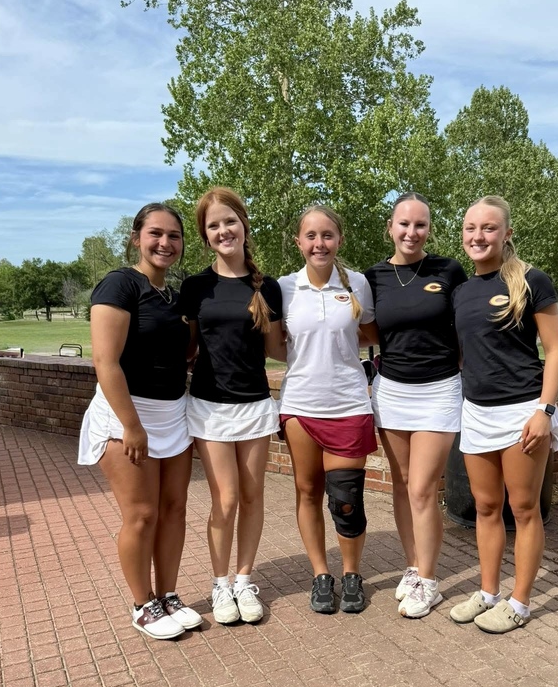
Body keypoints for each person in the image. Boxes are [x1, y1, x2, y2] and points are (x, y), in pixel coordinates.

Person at [78, 203, 202, 640]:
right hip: (127, 414)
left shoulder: (176, 293)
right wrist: (131, 426)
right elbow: (105, 361)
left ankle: (168, 595)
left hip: (173, 414)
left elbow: (183, 354)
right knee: (142, 515)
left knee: (173, 510)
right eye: (155, 234)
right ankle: (142, 603)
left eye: (174, 235)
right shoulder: (120, 284)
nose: (165, 243)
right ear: (136, 238)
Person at [449, 195, 558, 634]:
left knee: (523, 509)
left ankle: (519, 603)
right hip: (476, 412)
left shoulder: (532, 280)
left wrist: (544, 410)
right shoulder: (461, 291)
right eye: (470, 228)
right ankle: (487, 594)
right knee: (485, 506)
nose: (478, 236)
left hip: (523, 410)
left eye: (488, 228)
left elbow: (555, 350)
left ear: (507, 234)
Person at [180, 188, 284, 626]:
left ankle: (244, 579)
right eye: (213, 225)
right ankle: (220, 582)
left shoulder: (269, 287)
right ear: (206, 236)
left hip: (255, 405)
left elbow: (280, 350)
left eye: (230, 221)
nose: (223, 230)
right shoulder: (195, 287)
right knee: (224, 499)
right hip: (208, 406)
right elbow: (186, 351)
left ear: (243, 226)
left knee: (253, 495)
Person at [365, 193, 467, 618]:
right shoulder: (373, 277)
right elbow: (364, 331)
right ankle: (412, 567)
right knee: (403, 485)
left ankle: (429, 580)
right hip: (391, 391)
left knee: (424, 488)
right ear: (390, 227)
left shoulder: (448, 270)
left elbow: (467, 328)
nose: (412, 232)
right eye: (404, 224)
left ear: (429, 228)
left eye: (420, 224)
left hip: (440, 390)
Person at [278, 205, 378, 615]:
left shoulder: (358, 284)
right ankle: (321, 574)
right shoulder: (283, 287)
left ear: (340, 239)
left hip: (349, 402)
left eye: (328, 235)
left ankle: (351, 573)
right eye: (311, 236)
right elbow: (272, 343)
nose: (319, 243)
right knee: (307, 491)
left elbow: (370, 330)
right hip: (300, 404)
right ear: (299, 242)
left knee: (346, 500)